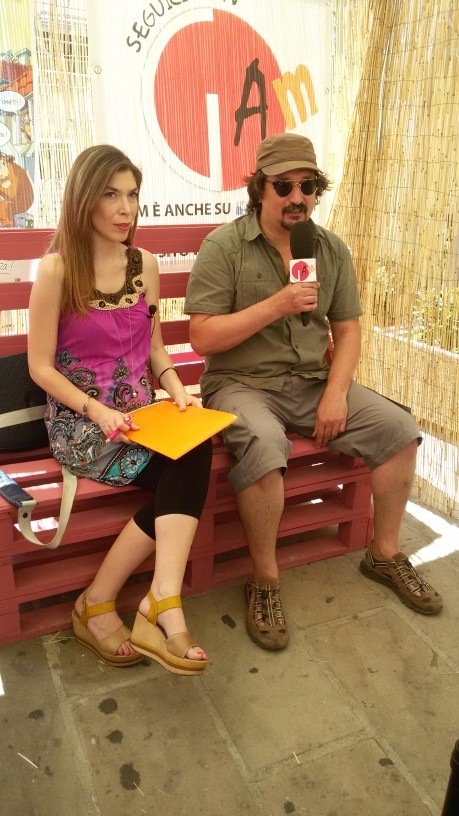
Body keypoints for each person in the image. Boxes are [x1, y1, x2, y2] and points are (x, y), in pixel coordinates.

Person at [185, 132, 443, 651]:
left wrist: (336, 393)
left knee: (398, 429)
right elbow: (202, 337)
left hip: (311, 382)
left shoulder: (328, 248)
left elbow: (347, 329)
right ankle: (264, 578)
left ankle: (384, 555)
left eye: (308, 186)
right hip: (241, 383)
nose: (297, 196)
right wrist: (277, 304)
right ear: (260, 189)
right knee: (264, 444)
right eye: (284, 186)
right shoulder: (224, 246)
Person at [28, 144, 212, 675]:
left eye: (132, 195)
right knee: (186, 470)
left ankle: (126, 600)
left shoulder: (143, 265)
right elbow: (40, 367)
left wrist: (177, 389)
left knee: (196, 446)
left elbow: (155, 349)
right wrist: (98, 411)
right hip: (84, 426)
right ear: (84, 198)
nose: (125, 208)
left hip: (141, 416)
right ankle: (135, 605)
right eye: (110, 194)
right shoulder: (57, 270)